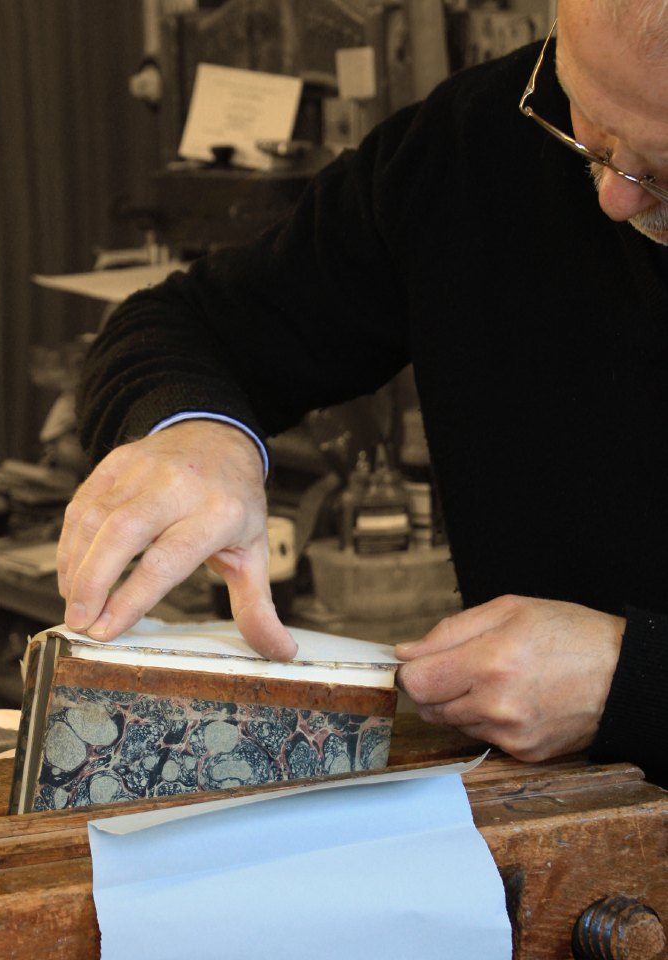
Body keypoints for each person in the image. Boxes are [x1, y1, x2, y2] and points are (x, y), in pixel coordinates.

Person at [56, 0, 668, 788]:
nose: (613, 197)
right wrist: (197, 435)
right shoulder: (473, 146)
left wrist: (635, 681)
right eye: (589, 126)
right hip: (527, 834)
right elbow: (182, 325)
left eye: (661, 167)